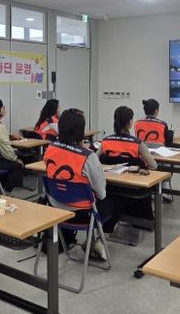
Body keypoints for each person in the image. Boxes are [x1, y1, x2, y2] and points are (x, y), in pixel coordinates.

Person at [43, 108, 126, 259]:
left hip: (55, 206)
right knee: (116, 200)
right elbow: (101, 192)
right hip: (82, 214)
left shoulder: (50, 149)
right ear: (81, 131)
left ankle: (89, 240)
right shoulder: (88, 156)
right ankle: (96, 240)